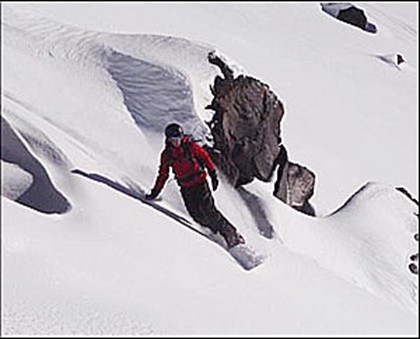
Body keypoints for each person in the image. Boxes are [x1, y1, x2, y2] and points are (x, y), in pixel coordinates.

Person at [145, 123, 245, 248]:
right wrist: (155, 192)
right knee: (196, 216)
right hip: (186, 187)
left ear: (182, 137)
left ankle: (233, 237)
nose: (176, 142)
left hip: (199, 182)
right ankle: (217, 233)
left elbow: (205, 157)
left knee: (209, 211)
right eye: (172, 140)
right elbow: (163, 174)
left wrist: (213, 174)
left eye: (177, 139)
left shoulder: (190, 146)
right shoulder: (167, 155)